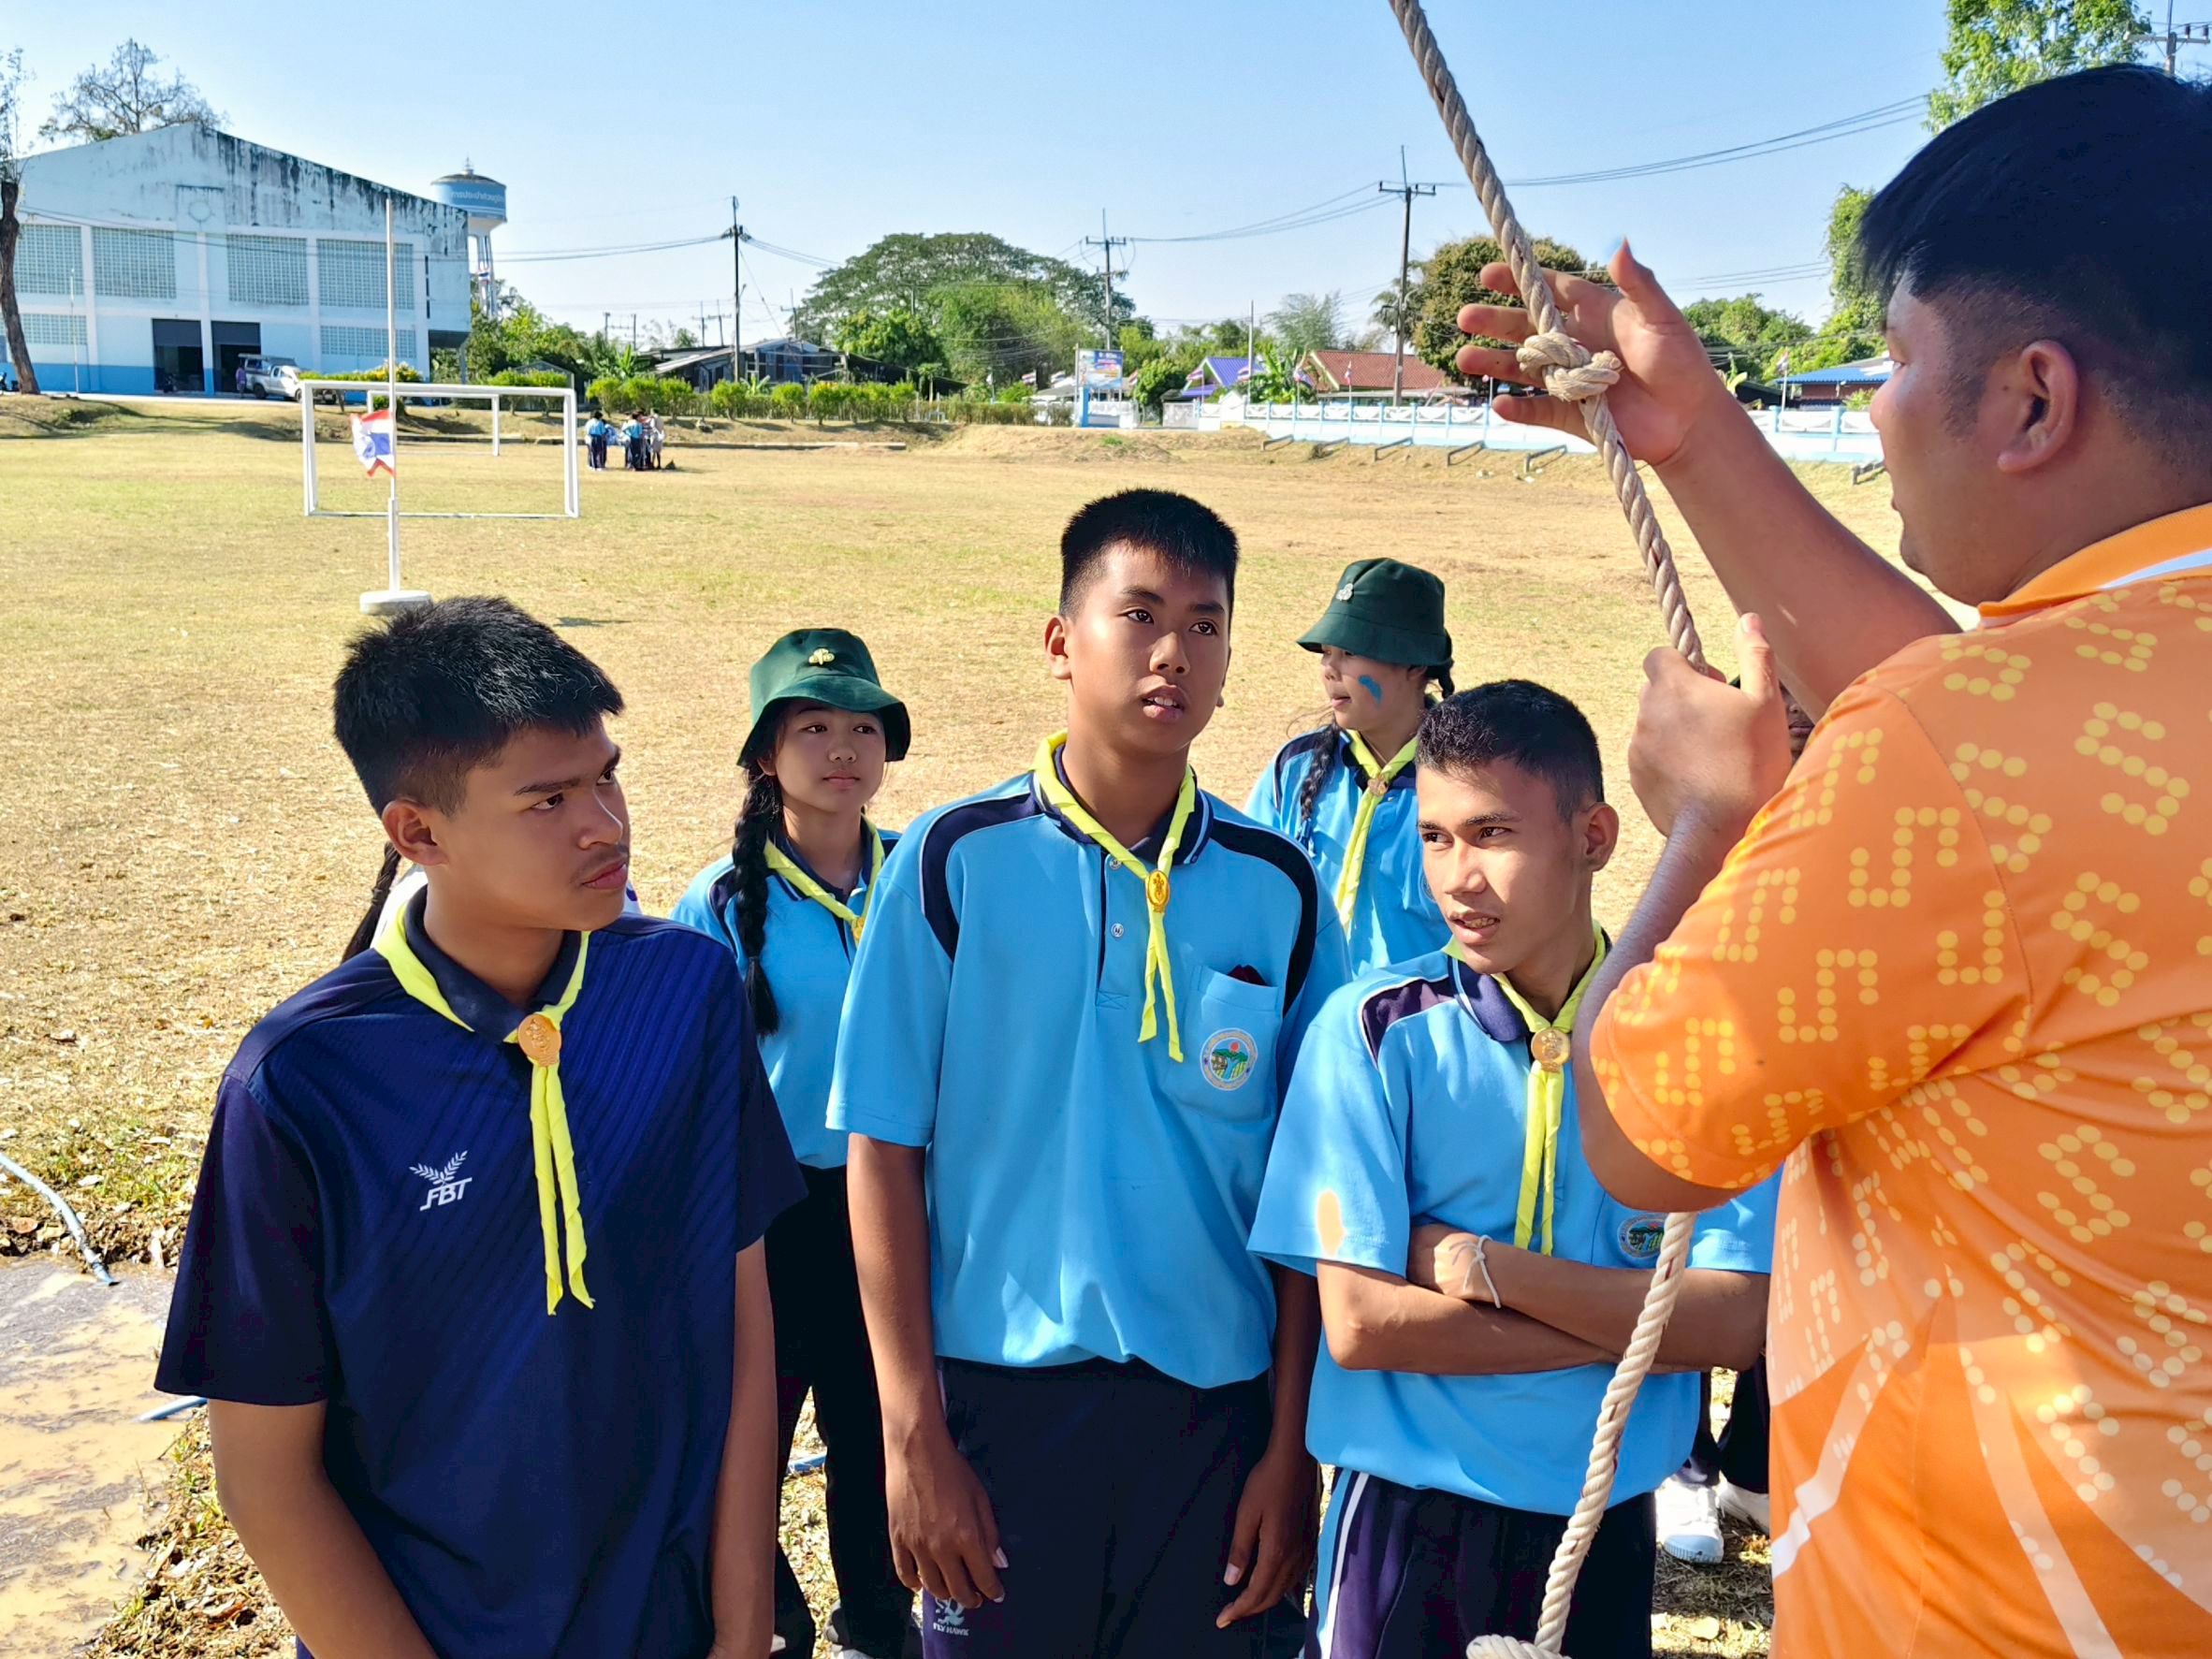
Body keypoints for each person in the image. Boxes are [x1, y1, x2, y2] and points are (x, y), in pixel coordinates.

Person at [1455, 66, 2212, 1656]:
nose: (1866, 413)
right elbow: (2004, 747)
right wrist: (1692, 438)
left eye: (1888, 361)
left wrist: (1704, 831)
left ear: (2026, 399)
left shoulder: (1960, 756)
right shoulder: (2063, 718)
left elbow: (1636, 1134)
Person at [155, 597, 803, 1659]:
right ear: (418, 832)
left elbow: (741, 1313)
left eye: (606, 774)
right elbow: (266, 1476)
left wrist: (741, 1618)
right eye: (548, 798)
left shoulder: (683, 989)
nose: (606, 823)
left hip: (672, 1620)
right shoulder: (305, 1083)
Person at [830, 488, 1352, 1658]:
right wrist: (913, 1434)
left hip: (1217, 1423)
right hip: (1000, 1414)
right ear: (1062, 643)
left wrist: (1290, 1446)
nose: (1176, 653)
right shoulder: (953, 862)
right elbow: (881, 1149)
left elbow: (1314, 1187)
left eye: (1208, 624)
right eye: (1141, 615)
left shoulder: (1280, 887)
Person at [1250, 682, 1773, 1659]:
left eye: (1492, 833)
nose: (1459, 878)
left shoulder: (1690, 1044)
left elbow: (1729, 1323)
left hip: (1602, 1524)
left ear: (1596, 835)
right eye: (1436, 837)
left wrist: (1480, 1267)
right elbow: (1363, 1327)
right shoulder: (1370, 1036)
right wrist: (1641, 1331)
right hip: (1406, 1520)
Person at [674, 628, 919, 1659]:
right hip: (768, 1219)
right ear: (764, 755)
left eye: (864, 727)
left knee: (875, 1440)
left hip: (897, 1209)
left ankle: (879, 1623)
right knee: (748, 1444)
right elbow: (685, 1087)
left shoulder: (923, 876)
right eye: (812, 727)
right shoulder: (722, 903)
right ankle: (766, 1625)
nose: (843, 750)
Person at [1245, 559, 1456, 972]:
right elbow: (1250, 891)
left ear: (1415, 664)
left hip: (1416, 1025)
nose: (1329, 669)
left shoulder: (1465, 785)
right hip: (1309, 1021)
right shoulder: (1295, 772)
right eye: (1326, 652)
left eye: (1351, 651)